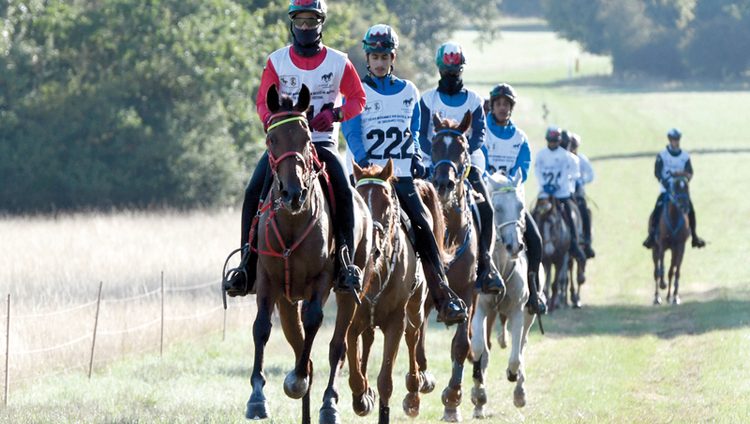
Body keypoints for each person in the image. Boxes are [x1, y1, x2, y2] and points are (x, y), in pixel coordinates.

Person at [223, 0, 367, 297]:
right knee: (253, 191)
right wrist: (272, 123)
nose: (304, 27)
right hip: (286, 146)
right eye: (299, 21)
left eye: (311, 21)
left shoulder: (339, 61)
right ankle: (246, 266)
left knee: (343, 190)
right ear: (292, 23)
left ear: (320, 23)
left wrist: (336, 114)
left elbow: (358, 98)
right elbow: (263, 101)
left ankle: (346, 263)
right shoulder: (277, 61)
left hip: (322, 142)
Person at [341, 24, 467, 325]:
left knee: (423, 222)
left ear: (392, 57)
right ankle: (337, 278)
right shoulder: (355, 91)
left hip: (399, 175)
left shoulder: (409, 91)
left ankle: (442, 294)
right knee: (341, 221)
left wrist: (412, 157)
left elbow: (412, 131)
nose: (380, 62)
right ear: (367, 58)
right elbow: (351, 131)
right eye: (374, 57)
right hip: (367, 177)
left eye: (385, 57)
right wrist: (367, 164)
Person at [417, 42, 505, 296]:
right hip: (433, 159)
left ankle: (485, 264)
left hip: (466, 161)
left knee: (485, 207)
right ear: (440, 71)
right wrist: (435, 155)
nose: (451, 76)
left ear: (461, 71)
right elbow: (422, 134)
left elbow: (479, 134)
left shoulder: (474, 100)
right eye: (447, 72)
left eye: (455, 72)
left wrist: (463, 151)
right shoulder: (428, 99)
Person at [482, 83, 546, 315]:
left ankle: (534, 291)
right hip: (488, 198)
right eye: (498, 104)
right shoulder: (483, 133)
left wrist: (512, 181)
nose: (502, 108)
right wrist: (491, 179)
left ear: (511, 108)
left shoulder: (520, 137)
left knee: (536, 239)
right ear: (492, 106)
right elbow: (481, 159)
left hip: (510, 200)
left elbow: (524, 165)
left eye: (506, 105)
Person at [643, 128, 706, 249]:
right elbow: (657, 172)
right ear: (669, 140)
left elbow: (690, 173)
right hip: (666, 188)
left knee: (691, 209)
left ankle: (694, 236)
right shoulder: (662, 155)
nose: (676, 142)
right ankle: (651, 235)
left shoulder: (685, 156)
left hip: (680, 189)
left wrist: (682, 176)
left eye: (677, 140)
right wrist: (666, 182)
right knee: (658, 207)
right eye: (673, 140)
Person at [534, 127, 587, 261]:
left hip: (561, 193)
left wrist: (557, 186)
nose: (552, 143)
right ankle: (532, 243)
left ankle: (574, 243)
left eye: (555, 141)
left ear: (559, 141)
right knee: (535, 214)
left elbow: (566, 173)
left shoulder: (565, 156)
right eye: (550, 141)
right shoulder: (541, 155)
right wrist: (544, 185)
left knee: (570, 214)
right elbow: (538, 171)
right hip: (545, 193)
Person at [567, 132, 596, 258]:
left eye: (574, 146)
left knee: (584, 211)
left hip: (578, 193)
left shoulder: (582, 159)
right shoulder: (563, 158)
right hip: (564, 192)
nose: (572, 148)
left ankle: (587, 240)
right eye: (570, 146)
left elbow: (591, 174)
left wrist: (582, 181)